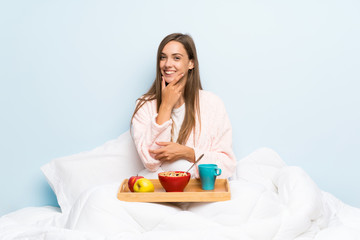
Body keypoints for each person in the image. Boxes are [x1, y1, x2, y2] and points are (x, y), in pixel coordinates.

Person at [131, 33, 237, 179]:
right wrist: (166, 107)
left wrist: (187, 152)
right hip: (159, 188)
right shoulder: (145, 105)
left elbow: (227, 165)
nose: (167, 64)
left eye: (176, 58)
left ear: (191, 63)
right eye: (163, 57)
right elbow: (151, 162)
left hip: (199, 189)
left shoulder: (212, 104)